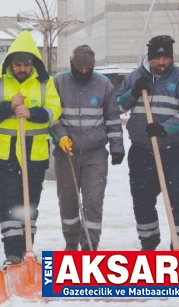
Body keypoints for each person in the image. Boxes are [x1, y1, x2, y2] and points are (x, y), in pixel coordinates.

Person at [0, 30, 61, 269]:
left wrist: (32, 113)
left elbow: (55, 110)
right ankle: (12, 253)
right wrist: (9, 106)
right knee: (8, 203)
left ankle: (28, 249)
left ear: (33, 64)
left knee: (29, 205)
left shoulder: (46, 83)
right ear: (10, 63)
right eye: (17, 64)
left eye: (26, 65)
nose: (21, 69)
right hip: (4, 154)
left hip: (34, 154)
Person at [117, 35, 179, 251]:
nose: (162, 62)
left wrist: (164, 128)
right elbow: (116, 106)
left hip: (174, 151)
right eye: (157, 58)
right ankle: (149, 243)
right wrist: (133, 93)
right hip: (142, 151)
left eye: (166, 58)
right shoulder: (134, 77)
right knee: (142, 200)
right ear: (149, 57)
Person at [50, 45, 125, 251]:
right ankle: (71, 244)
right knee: (68, 202)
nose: (83, 73)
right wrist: (61, 136)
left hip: (95, 153)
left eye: (87, 69)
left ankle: (90, 245)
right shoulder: (58, 83)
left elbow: (112, 119)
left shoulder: (103, 85)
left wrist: (117, 146)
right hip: (67, 152)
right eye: (79, 69)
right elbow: (52, 116)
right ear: (72, 65)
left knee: (93, 201)